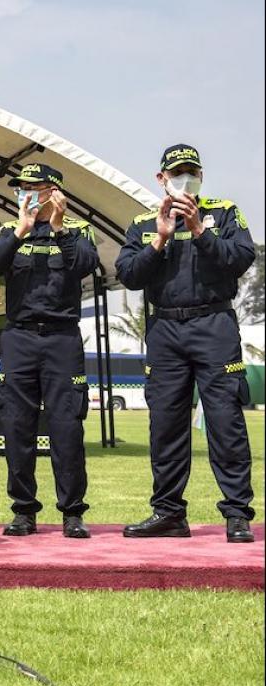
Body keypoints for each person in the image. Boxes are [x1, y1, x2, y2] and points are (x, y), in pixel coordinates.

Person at [115, 144, 256, 543]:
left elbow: (241, 258)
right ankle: (169, 513)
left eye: (191, 171)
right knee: (165, 424)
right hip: (165, 333)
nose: (184, 179)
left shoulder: (224, 212)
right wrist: (159, 240)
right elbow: (129, 275)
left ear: (201, 176)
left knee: (225, 421)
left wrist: (198, 229)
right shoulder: (144, 222)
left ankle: (236, 514)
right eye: (176, 173)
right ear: (161, 179)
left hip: (214, 325)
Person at [0, 164, 98, 539]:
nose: (26, 192)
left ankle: (73, 513)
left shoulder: (78, 230)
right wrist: (20, 228)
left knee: (66, 428)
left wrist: (59, 226)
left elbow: (85, 265)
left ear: (55, 191)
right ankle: (23, 511)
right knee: (17, 426)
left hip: (62, 339)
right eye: (22, 188)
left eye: (34, 187)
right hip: (19, 338)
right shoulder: (7, 229)